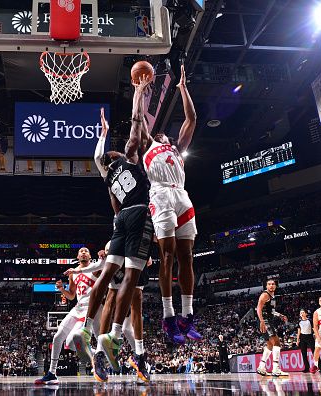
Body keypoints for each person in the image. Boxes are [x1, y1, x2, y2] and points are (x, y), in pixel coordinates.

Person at [75, 74, 153, 383]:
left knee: (112, 285)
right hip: (137, 219)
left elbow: (96, 156)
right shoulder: (130, 157)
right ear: (118, 154)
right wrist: (137, 92)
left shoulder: (108, 177)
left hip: (119, 225)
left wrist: (103, 132)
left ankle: (94, 338)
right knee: (133, 293)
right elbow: (136, 122)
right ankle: (117, 340)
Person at [139, 64, 200, 344]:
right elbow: (139, 119)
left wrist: (184, 88)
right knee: (167, 255)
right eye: (160, 134)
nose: (163, 134)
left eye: (165, 134)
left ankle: (187, 316)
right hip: (161, 194)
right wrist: (140, 91)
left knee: (187, 257)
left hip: (182, 194)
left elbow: (191, 118)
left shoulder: (177, 148)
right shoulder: (148, 145)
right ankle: (168, 316)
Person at [66, 241, 152, 382]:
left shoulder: (142, 234)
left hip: (135, 256)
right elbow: (100, 265)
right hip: (124, 253)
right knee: (111, 296)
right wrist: (78, 270)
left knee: (130, 318)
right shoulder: (117, 240)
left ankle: (139, 355)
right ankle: (99, 353)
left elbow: (149, 261)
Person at [35, 247, 102, 385]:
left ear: (90, 256)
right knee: (58, 338)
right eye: (81, 251)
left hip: (89, 309)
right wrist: (61, 289)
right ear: (77, 256)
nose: (83, 252)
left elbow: (105, 266)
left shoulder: (95, 268)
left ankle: (96, 353)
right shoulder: (73, 273)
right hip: (77, 308)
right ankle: (52, 373)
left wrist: (103, 257)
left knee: (72, 342)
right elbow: (71, 296)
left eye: (86, 251)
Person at [256, 278, 289, 377]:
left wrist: (280, 315)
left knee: (270, 345)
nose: (271, 285)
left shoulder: (272, 296)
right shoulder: (265, 295)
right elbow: (258, 308)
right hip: (265, 321)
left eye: (273, 284)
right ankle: (276, 369)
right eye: (269, 284)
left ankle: (261, 367)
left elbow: (272, 311)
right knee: (277, 343)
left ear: (275, 286)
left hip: (267, 320)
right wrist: (262, 321)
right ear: (266, 286)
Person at [297, 309, 321, 373]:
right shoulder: (299, 322)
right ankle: (306, 368)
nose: (302, 314)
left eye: (303, 312)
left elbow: (314, 329)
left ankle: (320, 367)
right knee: (304, 353)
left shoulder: (310, 321)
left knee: (315, 352)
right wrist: (297, 340)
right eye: (301, 313)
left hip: (310, 336)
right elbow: (299, 331)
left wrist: (317, 336)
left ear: (306, 314)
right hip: (302, 337)